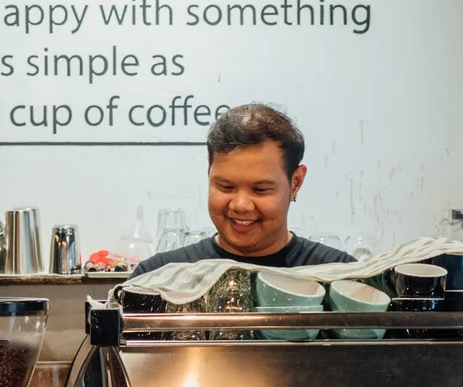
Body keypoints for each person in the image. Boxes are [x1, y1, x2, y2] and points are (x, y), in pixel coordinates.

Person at [133, 103, 354, 272]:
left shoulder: (341, 276)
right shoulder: (158, 276)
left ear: (295, 183)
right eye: (225, 186)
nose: (240, 205)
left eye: (260, 190)